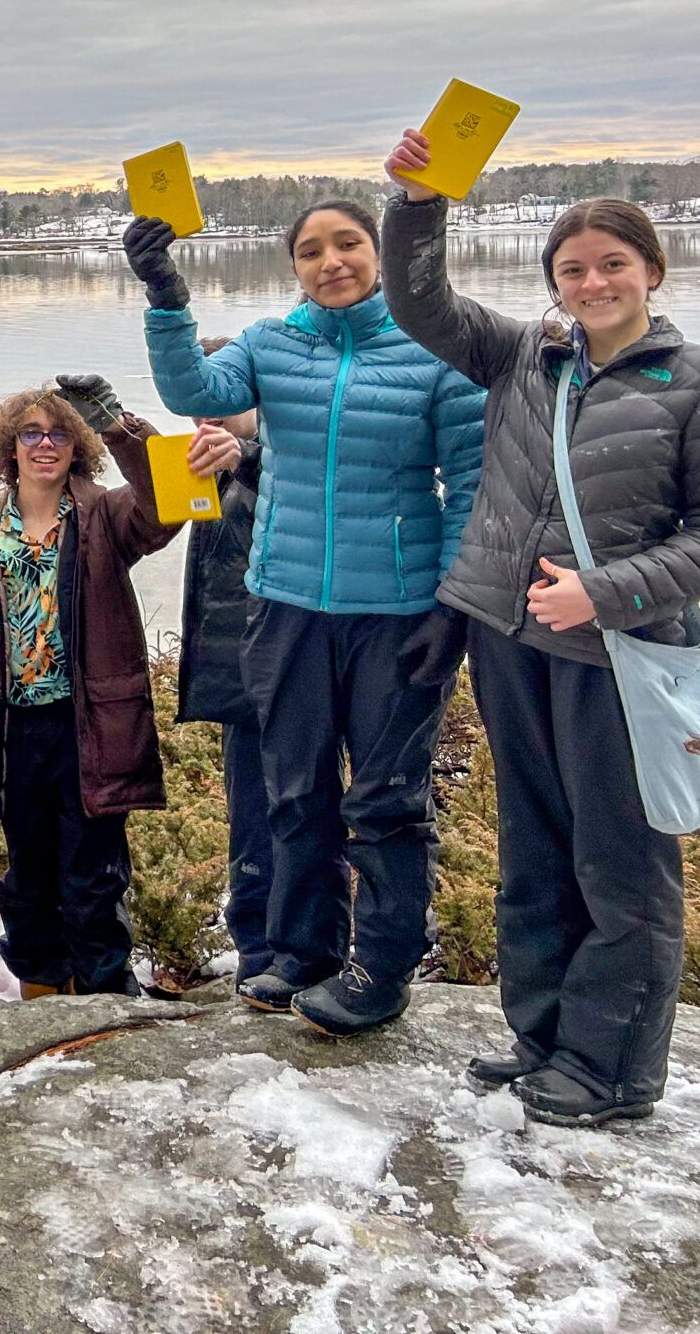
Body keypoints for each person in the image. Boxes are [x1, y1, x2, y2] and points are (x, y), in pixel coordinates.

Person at [381, 152, 700, 1125]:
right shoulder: (521, 357)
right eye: (572, 269)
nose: (591, 284)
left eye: (610, 265)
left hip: (618, 654)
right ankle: (544, 1038)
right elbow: (422, 307)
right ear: (554, 283)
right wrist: (417, 206)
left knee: (620, 861)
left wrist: (606, 593)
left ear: (651, 272)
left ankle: (613, 1068)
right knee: (535, 850)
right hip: (511, 640)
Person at [129, 200, 485, 1037]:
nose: (332, 262)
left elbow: (469, 484)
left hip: (395, 612)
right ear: (294, 266)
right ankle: (303, 949)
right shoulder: (270, 344)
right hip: (285, 604)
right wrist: (163, 291)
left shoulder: (432, 352)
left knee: (388, 800)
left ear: (378, 254)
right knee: (294, 790)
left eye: (349, 244)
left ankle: (383, 966)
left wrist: (452, 605)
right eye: (312, 251)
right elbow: (194, 388)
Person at [0, 378, 177, 999]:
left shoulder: (105, 517)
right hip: (10, 729)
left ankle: (105, 996)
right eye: (30, 433)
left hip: (87, 725)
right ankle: (40, 990)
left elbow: (170, 502)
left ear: (76, 447)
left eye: (59, 433)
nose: (44, 444)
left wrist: (120, 427)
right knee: (27, 874)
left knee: (93, 874)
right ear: (9, 447)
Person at [172, 383, 273, 994]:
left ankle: (288, 952)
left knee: (291, 816)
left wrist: (247, 462)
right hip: (237, 677)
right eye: (198, 408)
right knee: (250, 822)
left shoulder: (282, 459)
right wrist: (122, 434)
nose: (208, 419)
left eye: (224, 404)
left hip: (288, 670)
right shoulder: (211, 464)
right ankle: (257, 953)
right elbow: (150, 517)